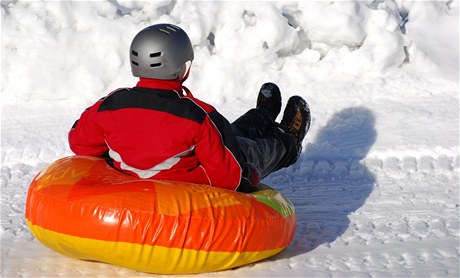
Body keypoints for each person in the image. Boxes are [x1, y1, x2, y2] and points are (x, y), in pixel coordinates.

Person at [68, 23, 310, 193]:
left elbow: (79, 142)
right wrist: (250, 176)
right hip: (193, 181)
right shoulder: (198, 115)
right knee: (251, 150)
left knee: (226, 136)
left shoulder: (108, 107)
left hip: (187, 155)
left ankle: (262, 115)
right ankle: (288, 141)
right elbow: (229, 177)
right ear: (182, 68)